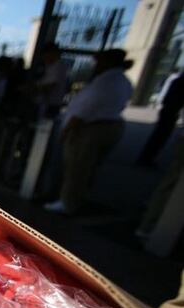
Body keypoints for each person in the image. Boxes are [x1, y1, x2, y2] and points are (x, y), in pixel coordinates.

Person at [44, 49, 134, 214]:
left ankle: (68, 202)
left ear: (107, 62)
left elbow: (83, 111)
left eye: (98, 61)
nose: (95, 65)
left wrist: (65, 132)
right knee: (88, 168)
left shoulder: (105, 82)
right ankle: (78, 198)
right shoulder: (123, 80)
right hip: (110, 126)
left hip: (90, 129)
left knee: (77, 168)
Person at [136, 71, 184, 166]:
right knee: (161, 136)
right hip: (171, 111)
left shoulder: (177, 81)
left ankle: (146, 157)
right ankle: (146, 158)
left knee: (159, 135)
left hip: (168, 110)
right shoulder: (180, 82)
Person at [35, 43, 69, 119]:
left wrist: (34, 89)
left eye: (45, 55)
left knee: (44, 126)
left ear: (53, 53)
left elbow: (50, 86)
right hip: (46, 103)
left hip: (50, 105)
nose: (44, 58)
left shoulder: (58, 66)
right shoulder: (50, 66)